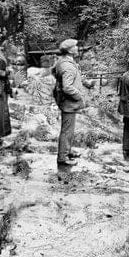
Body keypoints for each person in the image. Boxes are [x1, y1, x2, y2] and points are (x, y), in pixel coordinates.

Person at [52, 38, 86, 168]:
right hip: (68, 102)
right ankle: (63, 157)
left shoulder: (63, 62)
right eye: (75, 47)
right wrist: (79, 96)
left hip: (65, 101)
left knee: (69, 130)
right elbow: (67, 87)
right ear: (70, 50)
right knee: (67, 131)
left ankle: (67, 151)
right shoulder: (67, 65)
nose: (77, 48)